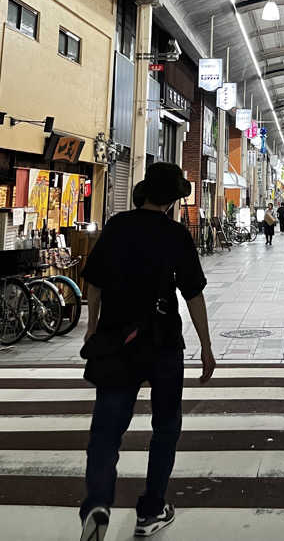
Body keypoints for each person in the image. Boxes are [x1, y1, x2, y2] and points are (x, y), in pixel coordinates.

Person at [79, 162, 215, 541]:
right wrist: (206, 345)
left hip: (116, 342)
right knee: (166, 427)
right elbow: (193, 294)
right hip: (162, 343)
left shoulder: (118, 226)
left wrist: (92, 328)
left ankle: (98, 503)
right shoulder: (175, 234)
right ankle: (152, 509)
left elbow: (95, 284)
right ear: (173, 199)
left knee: (106, 431)